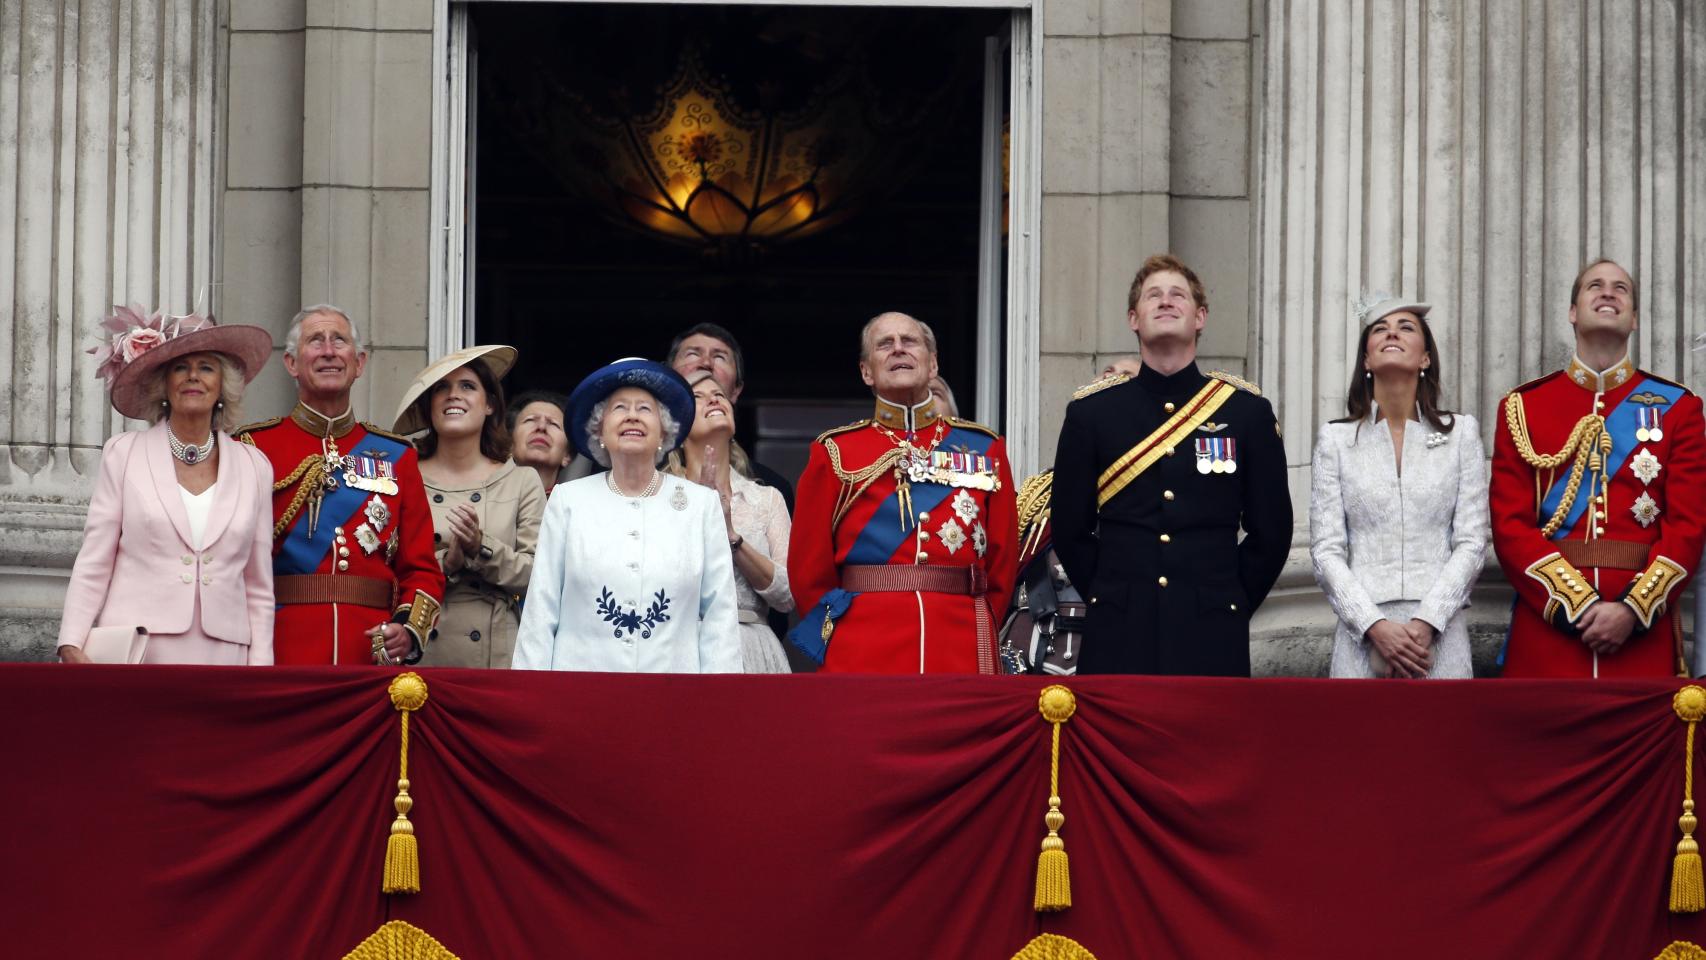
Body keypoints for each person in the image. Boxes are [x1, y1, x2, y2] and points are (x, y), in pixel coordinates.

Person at [1051, 254, 1292, 676]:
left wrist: (1227, 599)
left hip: (1212, 629)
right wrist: (1111, 595)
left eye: (1177, 295)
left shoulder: (1246, 412)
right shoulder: (1092, 413)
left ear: (1200, 317)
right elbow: (1071, 528)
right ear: (1133, 318)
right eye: (1153, 296)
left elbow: (1271, 531)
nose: (1166, 302)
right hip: (1119, 631)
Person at [1491, 259, 1706, 677]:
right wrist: (1579, 605)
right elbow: (1509, 526)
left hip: (1640, 636)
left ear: (1635, 318)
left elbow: (1688, 527)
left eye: (1621, 289)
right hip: (1548, 632)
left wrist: (1632, 609)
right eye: (1595, 286)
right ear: (1573, 312)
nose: (1608, 293)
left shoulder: (1679, 408)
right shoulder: (1523, 407)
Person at [787, 312, 1017, 674]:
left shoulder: (985, 448)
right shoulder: (834, 451)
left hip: (960, 644)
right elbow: (808, 573)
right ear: (866, 372)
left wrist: (981, 625)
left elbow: (1003, 564)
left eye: (909, 341)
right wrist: (840, 637)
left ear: (933, 364)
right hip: (863, 648)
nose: (898, 349)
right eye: (885, 344)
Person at [58, 307, 276, 665]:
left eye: (206, 367)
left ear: (223, 386)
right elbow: (96, 558)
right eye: (180, 367)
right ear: (164, 384)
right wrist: (71, 641)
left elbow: (258, 584)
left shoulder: (254, 467)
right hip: (138, 649)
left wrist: (261, 665)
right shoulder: (124, 454)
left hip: (224, 653)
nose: (193, 377)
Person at [237, 305, 444, 667]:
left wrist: (407, 629)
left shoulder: (398, 456)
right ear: (291, 363)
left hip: (369, 650)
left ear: (359, 362)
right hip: (280, 646)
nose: (329, 351)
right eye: (315, 341)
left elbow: (421, 567)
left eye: (340, 341)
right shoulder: (254, 447)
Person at [513, 358, 740, 672]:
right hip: (579, 691)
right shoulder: (569, 500)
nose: (632, 415)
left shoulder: (701, 505)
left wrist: (721, 698)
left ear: (664, 432)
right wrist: (532, 697)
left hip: (674, 691)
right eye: (619, 408)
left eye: (645, 409)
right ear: (599, 431)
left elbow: (720, 613)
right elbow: (542, 605)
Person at [1309, 294, 1489, 679]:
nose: (1392, 333)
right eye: (1379, 329)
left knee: (1443, 739)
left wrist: (1427, 621)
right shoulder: (1335, 440)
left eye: (1406, 327)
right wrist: (1373, 625)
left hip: (1440, 634)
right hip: (1362, 635)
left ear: (1425, 357)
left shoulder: (1461, 434)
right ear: (1366, 360)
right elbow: (1326, 550)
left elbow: (1473, 542)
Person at [394, 345, 543, 669]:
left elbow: (539, 576)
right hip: (420, 649)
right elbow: (386, 571)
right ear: (429, 406)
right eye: (441, 388)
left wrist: (481, 548)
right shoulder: (403, 475)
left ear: (489, 404)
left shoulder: (521, 480)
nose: (453, 395)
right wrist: (446, 562)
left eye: (467, 386)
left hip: (495, 653)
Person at [665, 370, 794, 672]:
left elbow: (787, 596)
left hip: (751, 647)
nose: (713, 399)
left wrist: (730, 534)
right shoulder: (658, 495)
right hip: (675, 646)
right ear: (676, 428)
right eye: (697, 398)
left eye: (719, 395)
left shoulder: (766, 498)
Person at [667, 322, 795, 510]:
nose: (706, 363)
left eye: (719, 357)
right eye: (693, 353)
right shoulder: (641, 479)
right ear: (667, 379)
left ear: (736, 391)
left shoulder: (771, 488)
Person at [510, 390, 573, 496]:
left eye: (554, 424)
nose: (541, 427)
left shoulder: (575, 509)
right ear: (510, 445)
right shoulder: (482, 500)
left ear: (567, 455)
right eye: (530, 420)